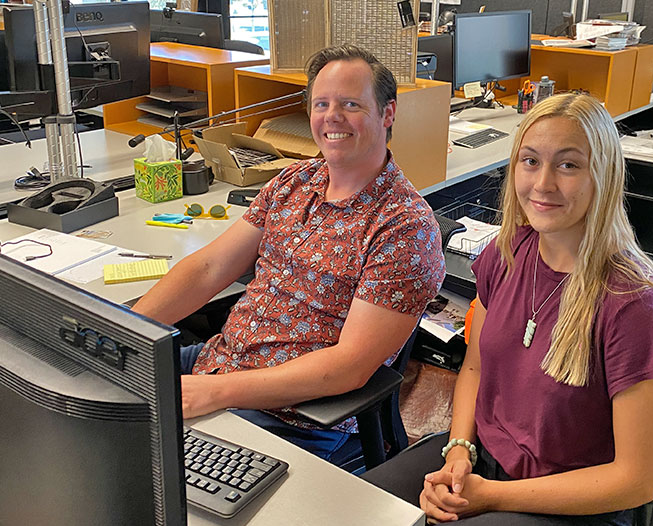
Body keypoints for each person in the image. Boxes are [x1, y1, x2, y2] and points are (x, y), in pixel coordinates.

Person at [363, 92, 653, 526]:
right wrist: (459, 448)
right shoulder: (508, 252)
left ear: (603, 176)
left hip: (571, 504)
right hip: (486, 463)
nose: (543, 184)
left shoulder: (635, 306)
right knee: (355, 508)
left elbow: (638, 480)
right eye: (530, 161)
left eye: (568, 165)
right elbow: (474, 368)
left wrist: (491, 497)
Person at [132, 44, 445, 463]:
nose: (332, 116)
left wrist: (216, 392)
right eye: (322, 103)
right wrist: (127, 331)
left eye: (350, 104)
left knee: (160, 481)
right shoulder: (292, 182)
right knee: (86, 403)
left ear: (388, 114)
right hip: (218, 364)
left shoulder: (404, 227)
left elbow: (350, 366)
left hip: (290, 414)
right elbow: (208, 268)